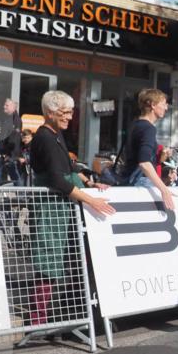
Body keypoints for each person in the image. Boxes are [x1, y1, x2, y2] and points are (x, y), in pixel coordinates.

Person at [29, 90, 115, 325]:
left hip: (62, 208)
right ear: (50, 113)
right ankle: (38, 321)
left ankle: (71, 314)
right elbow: (58, 180)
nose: (70, 117)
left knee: (72, 259)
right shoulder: (45, 138)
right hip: (51, 209)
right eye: (65, 112)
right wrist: (91, 200)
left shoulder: (55, 134)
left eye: (71, 112)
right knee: (48, 262)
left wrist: (90, 183)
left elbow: (68, 167)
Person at [121, 88, 176, 212]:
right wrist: (164, 189)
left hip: (129, 179)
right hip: (141, 183)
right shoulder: (148, 128)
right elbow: (144, 163)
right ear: (153, 105)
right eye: (164, 104)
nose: (166, 107)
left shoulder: (134, 124)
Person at [0, 98, 22, 185]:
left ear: (13, 107)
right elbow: (3, 137)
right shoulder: (8, 119)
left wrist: (8, 153)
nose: (4, 107)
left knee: (14, 177)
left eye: (7, 105)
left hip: (10, 155)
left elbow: (14, 139)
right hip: (6, 154)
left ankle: (22, 193)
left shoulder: (16, 120)